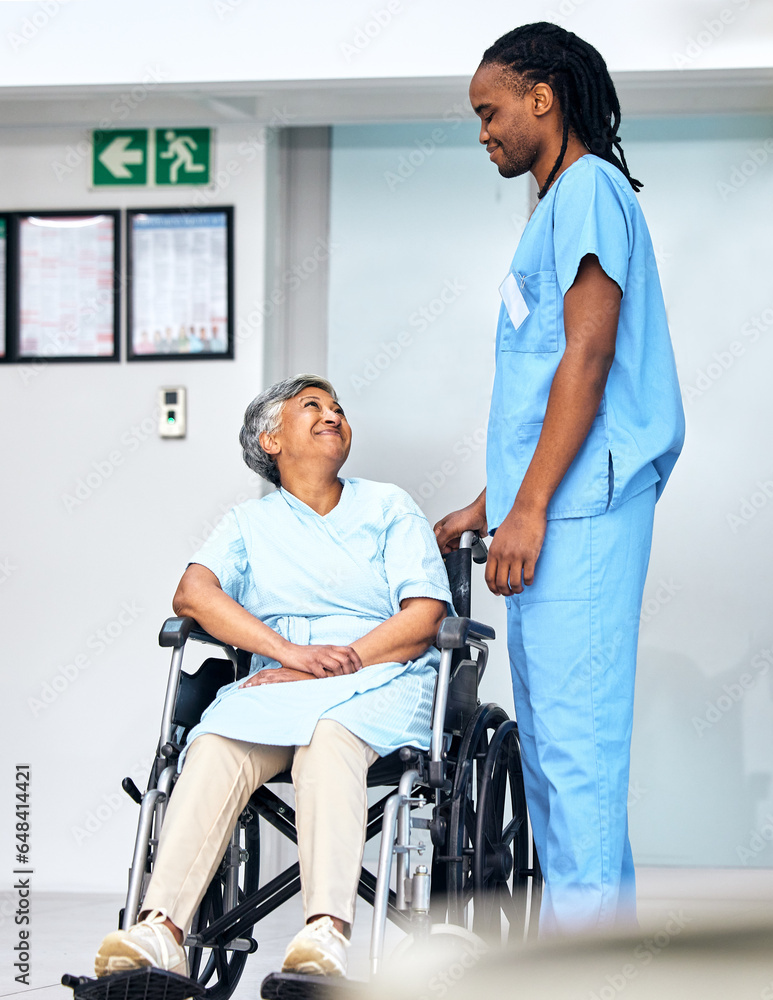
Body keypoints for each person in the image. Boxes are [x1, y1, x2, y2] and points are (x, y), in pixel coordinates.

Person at [434, 23, 684, 935]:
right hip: (549, 515)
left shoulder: (587, 191)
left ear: (544, 96)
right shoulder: (555, 207)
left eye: (490, 111)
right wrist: (492, 504)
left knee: (575, 758)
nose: (484, 131)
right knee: (552, 758)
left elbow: (587, 357)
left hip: (577, 517)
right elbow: (544, 389)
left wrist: (529, 508)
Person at [95, 374, 451, 978]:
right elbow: (193, 593)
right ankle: (161, 930)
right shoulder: (247, 524)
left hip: (381, 674)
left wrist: (340, 661)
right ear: (271, 439)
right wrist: (288, 654)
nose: (331, 413)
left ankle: (325, 935)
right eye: (311, 406)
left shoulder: (389, 506)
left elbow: (424, 617)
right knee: (212, 745)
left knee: (330, 737)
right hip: (281, 680)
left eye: (337, 407)